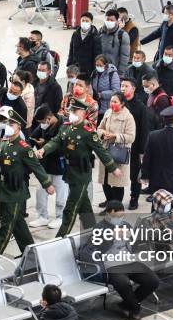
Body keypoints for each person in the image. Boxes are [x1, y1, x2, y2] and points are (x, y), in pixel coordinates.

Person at [37, 99, 119, 237]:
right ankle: (95, 233)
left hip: (81, 174)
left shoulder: (88, 132)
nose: (71, 113)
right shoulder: (66, 127)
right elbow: (56, 141)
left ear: (83, 113)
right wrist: (43, 150)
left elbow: (101, 151)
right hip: (70, 172)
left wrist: (112, 168)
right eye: (71, 110)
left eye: (75, 111)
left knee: (70, 209)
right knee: (85, 207)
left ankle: (60, 238)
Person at [0, 110, 53, 258]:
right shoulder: (5, 143)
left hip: (17, 191)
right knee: (18, 225)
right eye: (7, 123)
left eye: (11, 123)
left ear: (19, 126)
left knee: (6, 227)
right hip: (5, 189)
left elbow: (37, 167)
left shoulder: (24, 148)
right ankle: (31, 254)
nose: (8, 126)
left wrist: (47, 184)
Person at [80, 201, 159, 320]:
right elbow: (98, 250)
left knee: (153, 281)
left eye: (121, 216)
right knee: (124, 284)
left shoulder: (125, 225)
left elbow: (134, 245)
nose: (119, 219)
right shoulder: (99, 228)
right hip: (111, 264)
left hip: (129, 261)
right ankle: (135, 308)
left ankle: (126, 305)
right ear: (108, 213)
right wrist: (111, 237)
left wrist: (133, 237)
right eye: (116, 216)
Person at [141, 105, 173, 199]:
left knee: (156, 206)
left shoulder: (153, 136)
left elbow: (147, 158)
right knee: (171, 208)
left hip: (155, 180)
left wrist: (145, 175)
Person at [30, 105, 68, 230]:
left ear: (49, 118)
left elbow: (62, 146)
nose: (41, 125)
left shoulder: (64, 124)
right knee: (41, 191)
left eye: (42, 122)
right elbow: (33, 137)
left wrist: (45, 143)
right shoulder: (43, 125)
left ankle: (60, 217)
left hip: (59, 164)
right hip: (45, 164)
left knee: (61, 193)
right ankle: (42, 216)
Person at [97, 93, 135, 206]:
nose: (112, 104)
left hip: (119, 153)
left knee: (117, 183)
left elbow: (131, 137)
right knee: (105, 180)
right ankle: (109, 202)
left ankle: (116, 206)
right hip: (106, 151)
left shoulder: (128, 117)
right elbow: (99, 128)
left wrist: (115, 136)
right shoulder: (108, 112)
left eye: (115, 102)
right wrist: (103, 134)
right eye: (111, 101)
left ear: (122, 103)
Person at [121, 78, 149, 210]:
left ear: (133, 89)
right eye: (122, 86)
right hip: (120, 144)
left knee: (135, 174)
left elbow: (144, 130)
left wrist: (142, 151)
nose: (123, 88)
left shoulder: (140, 107)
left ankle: (134, 197)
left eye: (126, 86)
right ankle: (115, 199)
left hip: (135, 145)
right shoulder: (119, 103)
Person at [67, 12, 101, 76]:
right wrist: (69, 65)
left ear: (91, 22)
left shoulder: (95, 36)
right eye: (83, 20)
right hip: (75, 69)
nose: (84, 22)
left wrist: (94, 71)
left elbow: (97, 55)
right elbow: (71, 50)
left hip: (88, 70)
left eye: (87, 21)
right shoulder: (75, 34)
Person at [99, 9, 130, 77]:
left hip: (114, 72)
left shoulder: (122, 35)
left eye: (112, 20)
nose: (109, 22)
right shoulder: (100, 32)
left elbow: (124, 56)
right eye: (107, 19)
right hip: (100, 70)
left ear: (116, 21)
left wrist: (120, 73)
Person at [91, 54, 121, 120]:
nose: (98, 67)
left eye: (100, 65)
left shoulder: (112, 74)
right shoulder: (94, 74)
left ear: (105, 65)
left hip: (108, 108)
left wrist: (101, 94)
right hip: (96, 108)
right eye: (97, 65)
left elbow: (116, 91)